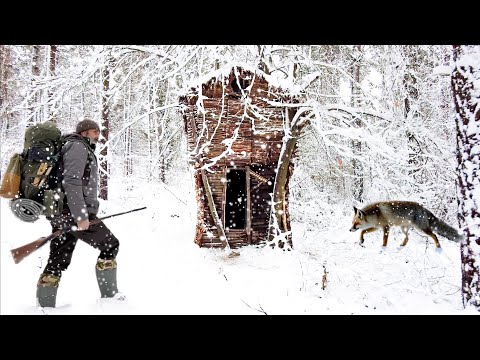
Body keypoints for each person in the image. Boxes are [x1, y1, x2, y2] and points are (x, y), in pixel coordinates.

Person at [36, 118, 124, 308]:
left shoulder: (73, 147)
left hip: (62, 212)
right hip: (71, 212)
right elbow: (72, 182)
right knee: (110, 244)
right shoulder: (77, 147)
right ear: (84, 133)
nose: (98, 136)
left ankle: (44, 305)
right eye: (95, 132)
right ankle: (111, 300)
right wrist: (81, 215)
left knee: (58, 258)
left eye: (98, 132)